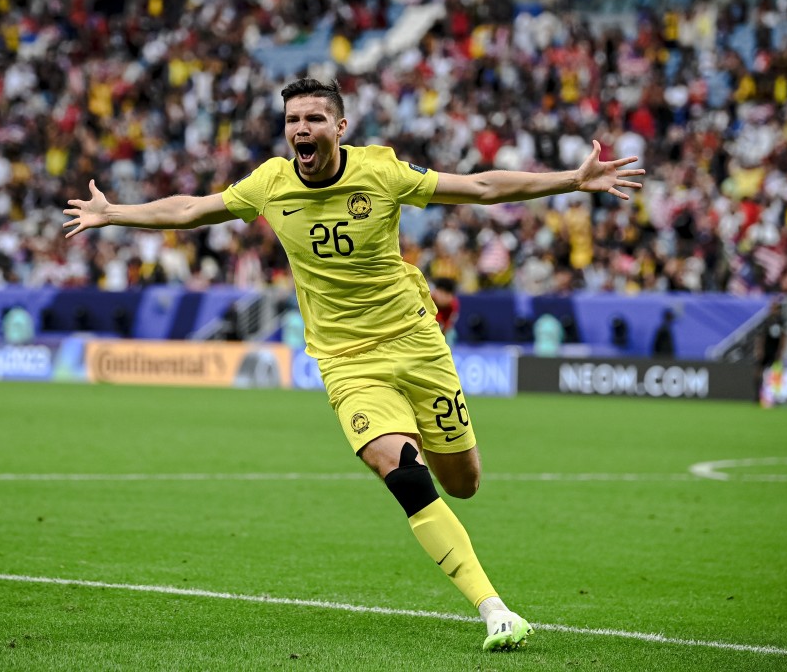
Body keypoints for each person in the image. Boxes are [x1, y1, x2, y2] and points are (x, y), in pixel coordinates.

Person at [63, 78, 644, 651]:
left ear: (340, 127)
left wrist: (572, 179)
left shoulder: (382, 171)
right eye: (293, 120)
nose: (301, 130)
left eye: (314, 119)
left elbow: (483, 187)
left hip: (416, 344)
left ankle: (435, 468)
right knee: (402, 472)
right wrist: (115, 214)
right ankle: (496, 611)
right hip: (346, 360)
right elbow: (192, 209)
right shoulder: (270, 182)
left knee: (462, 483)